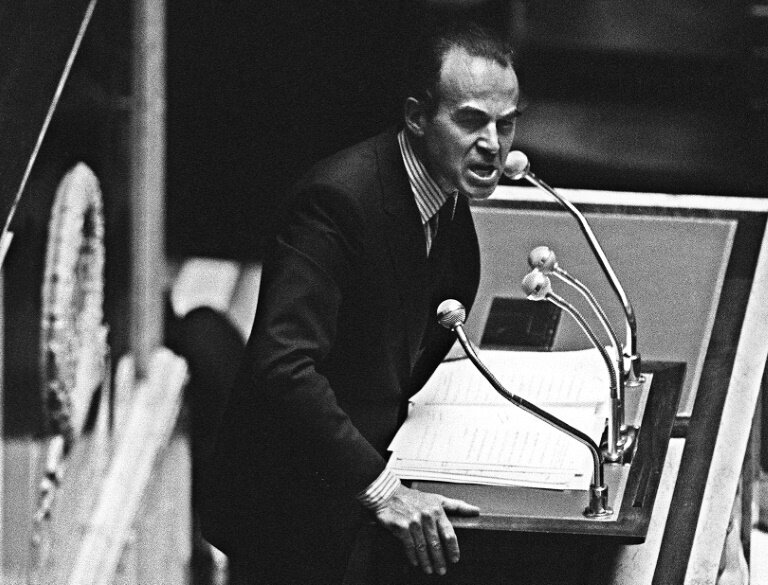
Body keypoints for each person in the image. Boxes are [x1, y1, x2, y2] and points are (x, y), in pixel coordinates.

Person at [200, 18, 521, 584]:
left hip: (362, 494)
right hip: (291, 506)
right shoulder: (338, 201)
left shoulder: (445, 200)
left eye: (506, 124)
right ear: (417, 116)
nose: (493, 146)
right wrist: (380, 488)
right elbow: (283, 365)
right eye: (471, 121)